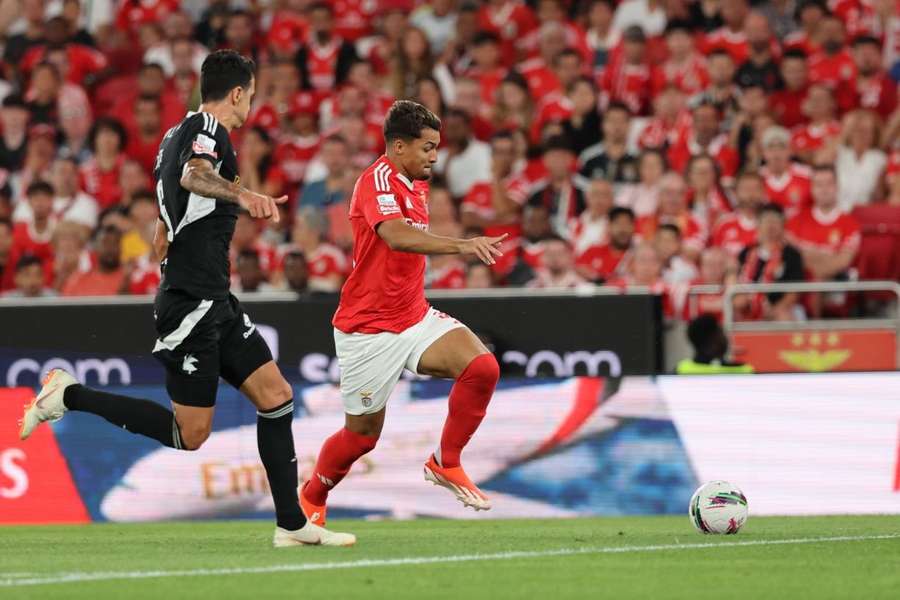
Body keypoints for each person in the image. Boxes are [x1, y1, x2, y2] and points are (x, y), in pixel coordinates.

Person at [19, 50, 354, 548]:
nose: (250, 108)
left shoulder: (172, 136)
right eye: (251, 96)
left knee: (277, 396)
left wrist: (164, 230)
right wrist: (243, 195)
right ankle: (68, 394)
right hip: (191, 304)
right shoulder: (208, 132)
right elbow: (192, 176)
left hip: (214, 298)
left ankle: (291, 525)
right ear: (238, 93)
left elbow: (169, 201)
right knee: (190, 434)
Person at [301, 100, 506, 529]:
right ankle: (311, 496)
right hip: (368, 328)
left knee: (482, 367)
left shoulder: (416, 183)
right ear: (398, 147)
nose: (434, 156)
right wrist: (463, 245)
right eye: (427, 147)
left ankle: (445, 461)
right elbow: (395, 236)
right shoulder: (376, 180)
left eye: (437, 147)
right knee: (361, 437)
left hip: (413, 316)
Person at [676, 314, 754, 374]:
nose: (726, 338)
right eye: (722, 333)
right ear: (715, 340)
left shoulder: (680, 370)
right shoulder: (745, 371)